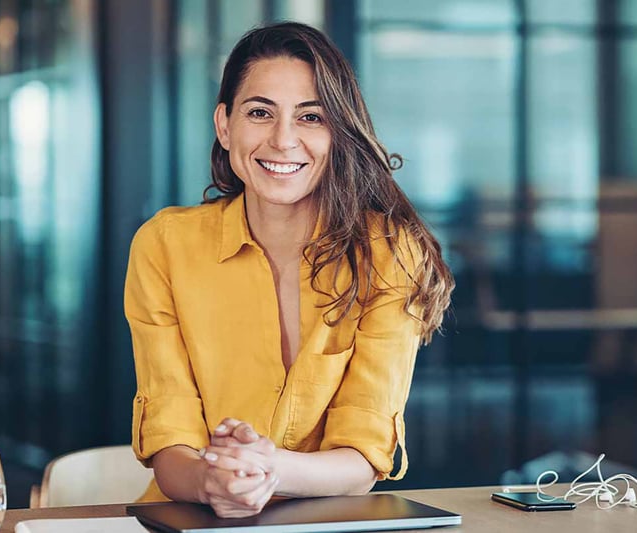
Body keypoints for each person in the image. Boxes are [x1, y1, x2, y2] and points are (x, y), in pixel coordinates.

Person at [124, 21, 454, 518]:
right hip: (193, 522)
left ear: (337, 133)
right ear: (224, 125)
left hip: (328, 523)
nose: (283, 140)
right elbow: (171, 445)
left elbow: (364, 456)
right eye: (260, 112)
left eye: (310, 117)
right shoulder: (164, 245)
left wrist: (267, 467)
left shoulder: (388, 253)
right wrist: (214, 481)